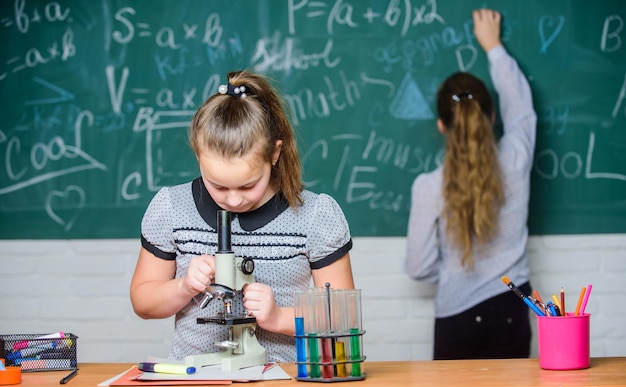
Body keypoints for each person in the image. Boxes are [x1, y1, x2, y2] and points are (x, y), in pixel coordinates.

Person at [130, 70, 355, 363]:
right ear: (199, 155)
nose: (233, 199)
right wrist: (184, 286)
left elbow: (341, 317)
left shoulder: (316, 216)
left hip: (283, 378)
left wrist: (279, 317)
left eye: (248, 185)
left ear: (275, 153)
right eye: (218, 185)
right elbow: (143, 303)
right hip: (196, 379)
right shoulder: (171, 207)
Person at [404, 9, 537, 360]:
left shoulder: (430, 186)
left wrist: (452, 272)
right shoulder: (516, 159)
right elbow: (522, 110)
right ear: (491, 117)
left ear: (441, 126)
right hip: (512, 308)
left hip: (456, 317)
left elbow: (418, 267)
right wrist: (493, 47)